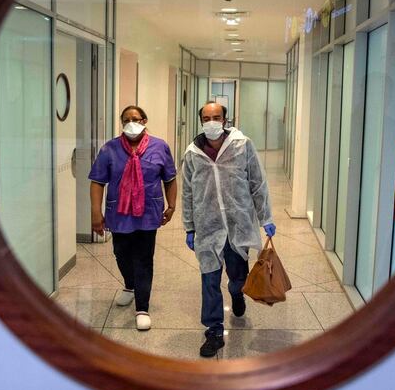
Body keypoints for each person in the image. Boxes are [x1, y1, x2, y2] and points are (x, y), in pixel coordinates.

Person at [182, 101, 276, 357]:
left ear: (225, 119)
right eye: (206, 117)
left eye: (216, 117)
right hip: (207, 226)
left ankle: (237, 295)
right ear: (200, 120)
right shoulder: (192, 153)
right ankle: (213, 330)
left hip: (238, 224)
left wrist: (265, 215)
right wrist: (189, 226)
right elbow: (188, 192)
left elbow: (257, 181)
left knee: (238, 279)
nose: (211, 121)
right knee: (209, 279)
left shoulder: (242, 145)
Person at [89, 105, 177, 331]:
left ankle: (142, 307)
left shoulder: (160, 147)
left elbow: (169, 178)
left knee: (144, 259)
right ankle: (129, 285)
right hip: (119, 213)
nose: (131, 123)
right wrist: (95, 212)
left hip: (148, 212)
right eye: (126, 119)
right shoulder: (110, 149)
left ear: (145, 121)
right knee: (121, 254)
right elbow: (98, 181)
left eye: (136, 119)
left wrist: (172, 205)